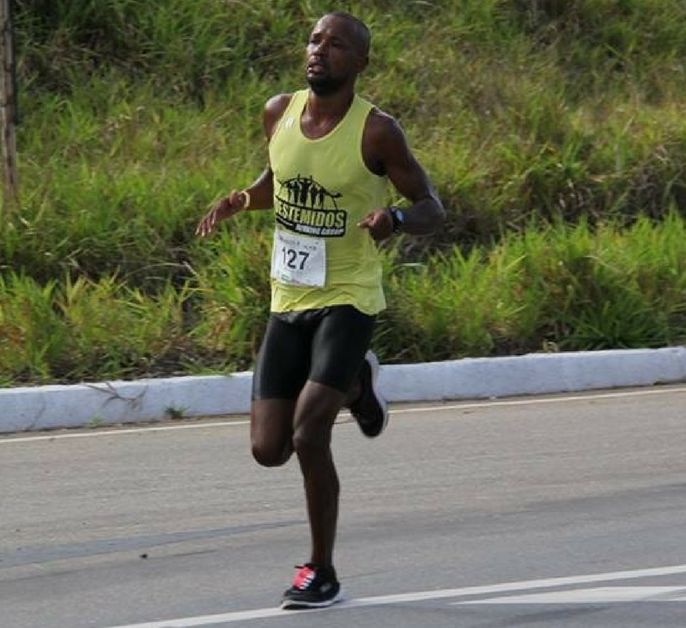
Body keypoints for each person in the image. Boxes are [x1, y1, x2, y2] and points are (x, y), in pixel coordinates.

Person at [195, 11, 444, 610]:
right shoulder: (278, 111)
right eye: (314, 40)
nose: (319, 51)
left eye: (336, 45)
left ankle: (321, 570)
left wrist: (396, 220)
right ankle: (360, 385)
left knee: (310, 434)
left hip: (347, 299)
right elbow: (281, 177)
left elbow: (431, 204)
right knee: (268, 449)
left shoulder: (377, 132)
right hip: (289, 298)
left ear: (360, 63)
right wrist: (242, 200)